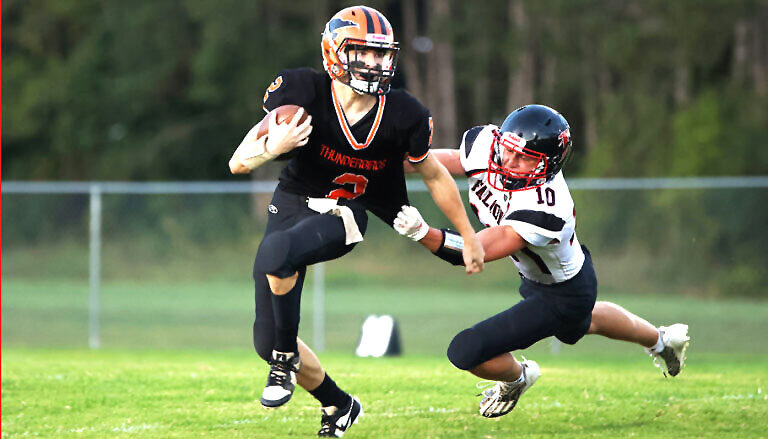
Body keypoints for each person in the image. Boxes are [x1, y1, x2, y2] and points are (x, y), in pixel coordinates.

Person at [228, 5, 485, 437]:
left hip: (348, 213)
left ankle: (285, 360)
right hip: (292, 202)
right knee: (264, 338)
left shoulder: (404, 112)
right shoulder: (302, 92)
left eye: (381, 55)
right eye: (363, 53)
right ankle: (338, 404)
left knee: (275, 257)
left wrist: (467, 234)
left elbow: (434, 173)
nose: (374, 63)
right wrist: (276, 144)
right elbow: (238, 163)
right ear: (335, 53)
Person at [394, 104, 690, 418]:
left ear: (548, 165)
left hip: (564, 294)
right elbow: (436, 162)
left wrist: (422, 232)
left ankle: (518, 378)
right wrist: (382, 165)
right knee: (588, 321)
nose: (509, 161)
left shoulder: (546, 206)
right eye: (508, 150)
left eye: (524, 159)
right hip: (552, 277)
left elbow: (473, 251)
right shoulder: (488, 147)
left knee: (466, 351)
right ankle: (662, 341)